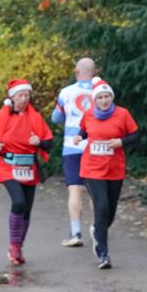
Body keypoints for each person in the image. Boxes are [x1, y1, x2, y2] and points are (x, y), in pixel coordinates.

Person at [0, 79, 54, 265]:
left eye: (26, 95)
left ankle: (18, 247)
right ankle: (14, 246)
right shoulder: (2, 115)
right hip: (7, 165)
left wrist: (39, 142)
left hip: (29, 167)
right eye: (20, 95)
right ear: (12, 97)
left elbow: (49, 142)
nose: (23, 99)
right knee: (18, 202)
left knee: (27, 211)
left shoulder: (36, 117)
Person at [73, 80, 139, 269]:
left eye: (106, 96)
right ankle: (103, 255)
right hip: (92, 169)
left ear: (111, 97)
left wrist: (121, 142)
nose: (103, 100)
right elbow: (84, 130)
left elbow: (135, 136)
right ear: (95, 100)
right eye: (100, 98)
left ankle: (97, 230)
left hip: (114, 169)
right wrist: (79, 137)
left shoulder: (122, 114)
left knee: (110, 212)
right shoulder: (88, 115)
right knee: (101, 208)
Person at [52, 58, 100, 247]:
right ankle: (97, 229)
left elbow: (56, 117)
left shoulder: (66, 92)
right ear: (94, 72)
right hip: (95, 147)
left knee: (74, 190)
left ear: (76, 72)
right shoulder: (101, 91)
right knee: (94, 192)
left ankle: (75, 233)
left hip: (72, 146)